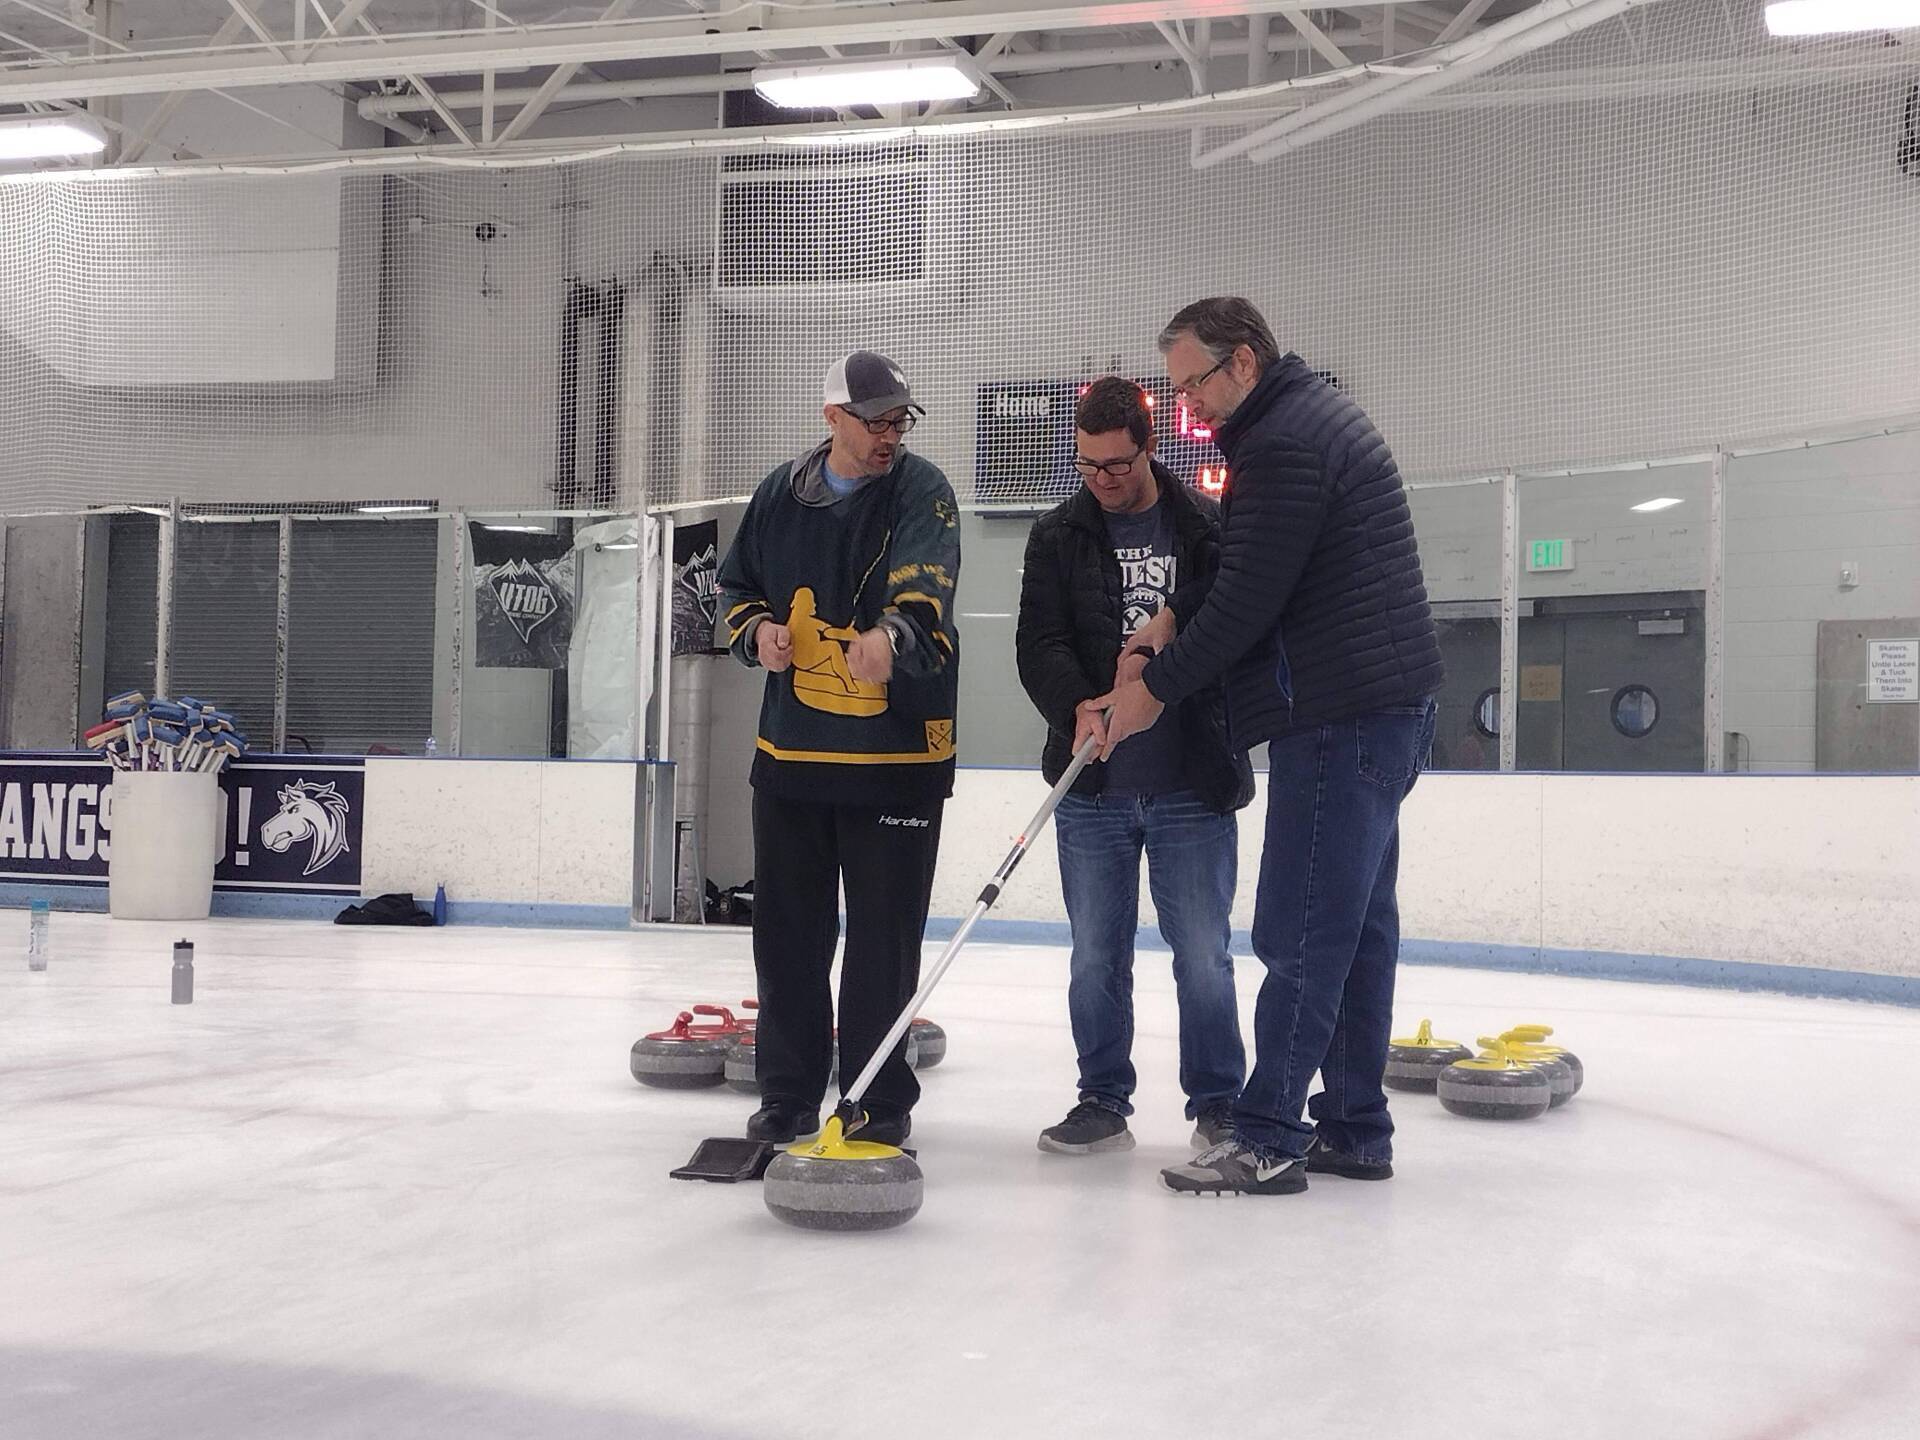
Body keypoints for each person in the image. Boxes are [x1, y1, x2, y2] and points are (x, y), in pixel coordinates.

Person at [1094, 297, 1444, 1196]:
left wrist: (1151, 694)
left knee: (1301, 929)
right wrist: (1171, 618)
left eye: (1193, 385)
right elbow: (1250, 571)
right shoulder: (1305, 420)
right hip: (1381, 709)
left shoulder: (1283, 443)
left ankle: (1269, 1135)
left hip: (1338, 715)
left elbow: (1249, 602)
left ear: (1243, 361)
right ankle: (1355, 1126)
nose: (1188, 406)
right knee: (1357, 929)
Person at [715, 350, 961, 1148]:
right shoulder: (776, 495)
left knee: (883, 947)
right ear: (832, 419)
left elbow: (924, 594)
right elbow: (735, 590)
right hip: (792, 759)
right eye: (875, 421)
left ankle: (874, 1102)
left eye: (900, 421)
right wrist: (758, 633)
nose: (890, 435)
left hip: (896, 764)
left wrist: (893, 636)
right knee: (787, 939)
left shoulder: (923, 490)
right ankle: (786, 1095)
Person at [1015, 376, 1253, 1156]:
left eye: (1117, 465)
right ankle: (1102, 1099)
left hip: (1191, 784)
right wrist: (1076, 707)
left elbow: (1233, 621)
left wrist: (1161, 659)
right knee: (1095, 956)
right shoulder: (1056, 536)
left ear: (1149, 448)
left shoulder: (1206, 526)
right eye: (1088, 466)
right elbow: (1038, 644)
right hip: (1093, 788)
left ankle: (1218, 1102)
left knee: (1204, 957)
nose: (1103, 480)